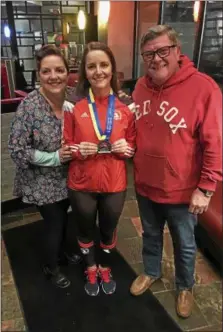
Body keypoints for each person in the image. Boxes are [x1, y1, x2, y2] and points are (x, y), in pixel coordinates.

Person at [129, 25, 222, 318]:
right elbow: (136, 128)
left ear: (177, 51)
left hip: (183, 191)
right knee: (151, 235)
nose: (156, 58)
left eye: (162, 51)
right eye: (149, 54)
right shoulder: (141, 87)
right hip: (146, 184)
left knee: (184, 244)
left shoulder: (204, 87)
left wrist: (206, 188)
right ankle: (152, 271)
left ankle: (185, 285)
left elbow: (215, 142)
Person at [63, 41, 136, 296]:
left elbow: (134, 145)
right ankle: (90, 266)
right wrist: (77, 149)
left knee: (108, 229)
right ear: (84, 71)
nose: (98, 71)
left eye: (104, 65)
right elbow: (65, 144)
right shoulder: (73, 105)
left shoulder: (127, 106)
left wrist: (126, 148)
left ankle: (105, 265)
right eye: (91, 66)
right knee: (84, 229)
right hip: (81, 182)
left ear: (112, 69)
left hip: (114, 183)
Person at [8, 45, 81, 289]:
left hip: (68, 176)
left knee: (65, 218)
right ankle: (51, 265)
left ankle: (61, 252)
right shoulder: (29, 106)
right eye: (46, 71)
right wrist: (54, 157)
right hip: (40, 180)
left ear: (67, 71)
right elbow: (17, 150)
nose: (54, 76)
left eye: (59, 70)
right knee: (55, 222)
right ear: (38, 74)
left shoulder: (72, 97)